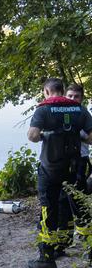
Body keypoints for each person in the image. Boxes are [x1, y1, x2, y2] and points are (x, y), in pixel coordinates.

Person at [27, 78, 92, 268]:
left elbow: (32, 135)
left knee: (49, 209)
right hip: (73, 168)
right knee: (77, 207)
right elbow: (90, 138)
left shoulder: (43, 110)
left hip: (50, 169)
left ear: (46, 92)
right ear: (63, 91)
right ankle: (86, 248)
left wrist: (45, 135)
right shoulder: (80, 110)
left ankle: (46, 258)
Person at [56, 83, 91, 256]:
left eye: (76, 97)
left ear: (81, 98)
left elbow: (91, 138)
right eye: (69, 96)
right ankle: (63, 242)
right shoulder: (58, 112)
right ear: (64, 95)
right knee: (62, 203)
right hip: (62, 163)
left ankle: (88, 243)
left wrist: (78, 133)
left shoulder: (84, 114)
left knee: (79, 202)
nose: (72, 99)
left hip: (80, 162)